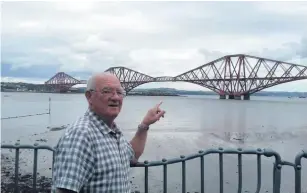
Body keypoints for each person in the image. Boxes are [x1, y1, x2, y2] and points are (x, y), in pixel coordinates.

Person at [51, 72, 166, 193]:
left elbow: (132, 156)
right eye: (107, 91)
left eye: (119, 92)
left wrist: (145, 124)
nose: (115, 97)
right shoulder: (81, 135)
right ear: (89, 97)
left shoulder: (111, 130)